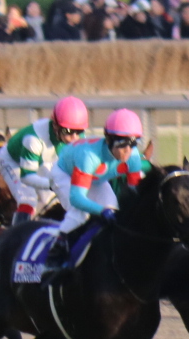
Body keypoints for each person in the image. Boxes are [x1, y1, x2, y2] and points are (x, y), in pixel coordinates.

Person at [43, 109, 150, 278]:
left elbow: (133, 193)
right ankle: (55, 252)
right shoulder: (89, 157)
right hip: (64, 173)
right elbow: (77, 198)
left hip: (95, 177)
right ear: (109, 140)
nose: (128, 150)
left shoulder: (134, 157)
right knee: (81, 213)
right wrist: (101, 211)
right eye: (122, 144)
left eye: (133, 143)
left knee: (113, 209)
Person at [0, 97, 89, 221]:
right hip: (13, 161)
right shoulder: (33, 140)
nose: (73, 137)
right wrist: (52, 185)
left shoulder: (78, 137)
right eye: (67, 131)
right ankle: (16, 238)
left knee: (57, 197)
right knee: (28, 200)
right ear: (55, 126)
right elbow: (27, 178)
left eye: (78, 131)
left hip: (42, 159)